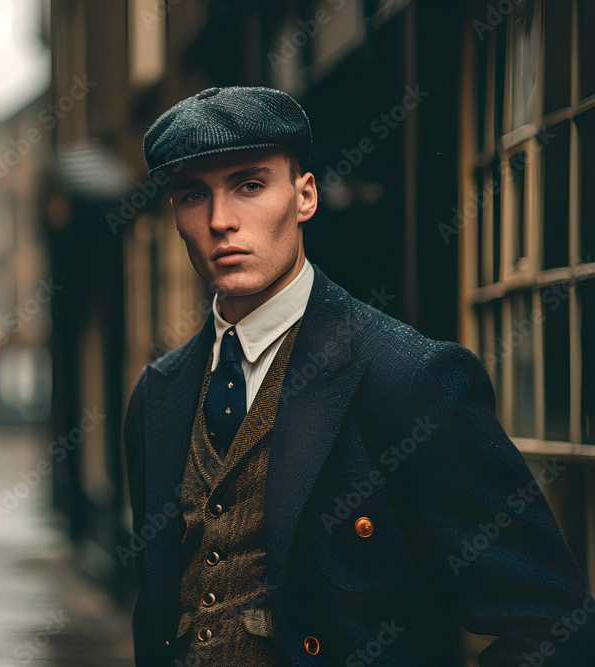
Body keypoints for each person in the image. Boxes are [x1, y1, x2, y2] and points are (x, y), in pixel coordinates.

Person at [123, 85, 595, 666]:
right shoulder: (158, 397)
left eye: (250, 185)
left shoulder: (410, 379)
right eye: (194, 194)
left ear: (304, 196)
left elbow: (553, 625)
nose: (221, 220)